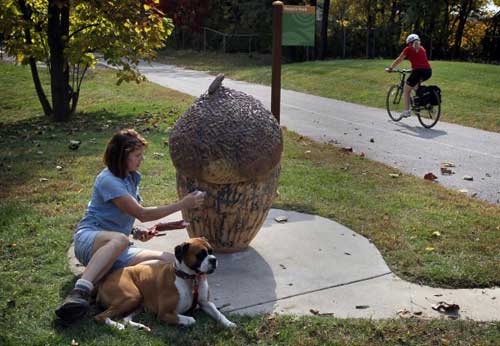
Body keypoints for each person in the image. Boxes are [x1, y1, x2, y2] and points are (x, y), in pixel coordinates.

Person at [55, 129, 205, 323]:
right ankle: (80, 291)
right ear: (121, 156)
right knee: (120, 239)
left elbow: (124, 213)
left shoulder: (131, 177)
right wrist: (182, 204)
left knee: (170, 263)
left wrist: (135, 231)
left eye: (141, 155)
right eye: (137, 156)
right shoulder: (108, 180)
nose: (141, 159)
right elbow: (141, 213)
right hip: (89, 240)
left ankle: (141, 298)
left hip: (118, 245)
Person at [386, 33, 432, 118]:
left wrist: (391, 68)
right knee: (415, 86)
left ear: (409, 43)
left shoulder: (408, 49)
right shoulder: (422, 48)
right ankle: (418, 103)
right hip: (428, 72)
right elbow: (421, 62)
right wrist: (413, 69)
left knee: (406, 90)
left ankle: (406, 111)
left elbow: (399, 59)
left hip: (418, 72)